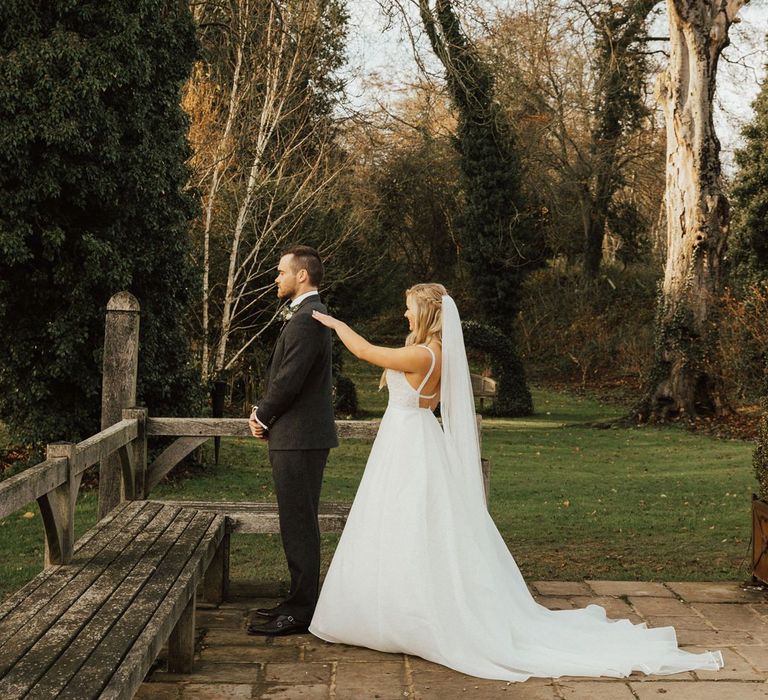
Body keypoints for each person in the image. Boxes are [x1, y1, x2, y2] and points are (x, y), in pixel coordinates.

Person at [308, 283, 724, 682]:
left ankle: (409, 615)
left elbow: (364, 351)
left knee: (411, 521)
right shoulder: (431, 350)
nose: (404, 312)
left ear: (427, 311)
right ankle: (396, 609)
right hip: (410, 438)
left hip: (408, 442)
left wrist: (335, 324)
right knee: (409, 523)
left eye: (409, 306)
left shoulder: (423, 354)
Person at [246, 246, 338, 636]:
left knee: (299, 523)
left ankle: (301, 611)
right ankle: (298, 600)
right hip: (299, 436)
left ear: (302, 276)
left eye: (282, 272)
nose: (276, 278)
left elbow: (288, 381)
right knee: (296, 520)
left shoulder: (306, 320)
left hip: (298, 438)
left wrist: (261, 415)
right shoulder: (308, 315)